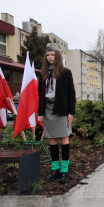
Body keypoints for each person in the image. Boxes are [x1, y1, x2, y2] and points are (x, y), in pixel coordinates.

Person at [38, 43, 76, 183]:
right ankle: (55, 169)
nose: (49, 57)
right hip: (48, 110)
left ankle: (64, 170)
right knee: (52, 140)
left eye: (52, 55)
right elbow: (40, 94)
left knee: (64, 138)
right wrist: (40, 112)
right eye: (47, 55)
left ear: (57, 56)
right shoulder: (42, 73)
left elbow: (71, 93)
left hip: (61, 110)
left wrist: (71, 112)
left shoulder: (66, 72)